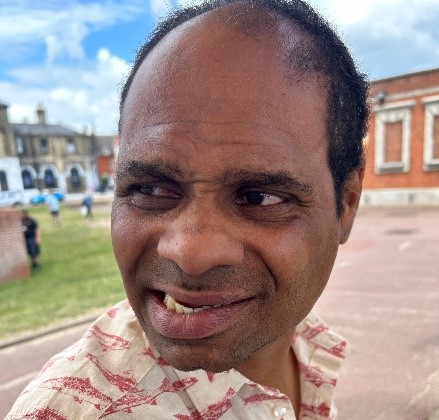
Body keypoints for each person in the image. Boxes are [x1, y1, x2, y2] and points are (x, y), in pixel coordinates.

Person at [6, 0, 369, 418]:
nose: (189, 253)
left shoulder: (304, 340)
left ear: (347, 203)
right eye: (150, 189)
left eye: (259, 197)